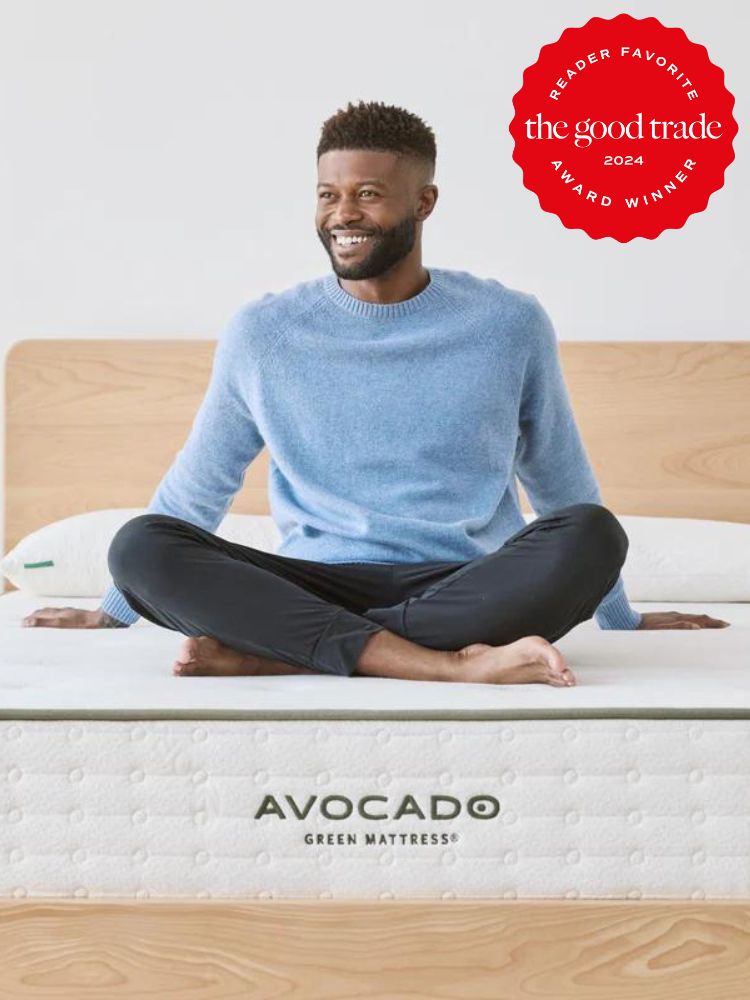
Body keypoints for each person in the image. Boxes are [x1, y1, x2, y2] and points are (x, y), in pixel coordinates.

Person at [21, 100, 729, 682]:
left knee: (594, 533)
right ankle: (443, 667)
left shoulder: (508, 324)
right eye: (328, 195)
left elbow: (559, 478)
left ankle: (282, 655)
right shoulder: (264, 332)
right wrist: (115, 607)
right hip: (313, 584)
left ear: (424, 201)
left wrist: (620, 617)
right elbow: (197, 488)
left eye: (367, 194)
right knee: (142, 544)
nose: (343, 214)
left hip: (466, 584)